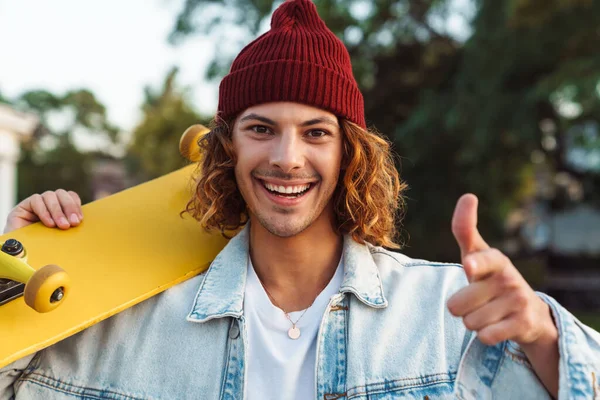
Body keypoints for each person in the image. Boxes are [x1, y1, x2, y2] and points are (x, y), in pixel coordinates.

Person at [2, 1, 599, 398]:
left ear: (349, 154)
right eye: (261, 128)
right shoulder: (130, 325)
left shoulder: (446, 314)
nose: (287, 157)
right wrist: (14, 280)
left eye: (316, 132)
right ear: (227, 148)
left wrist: (545, 340)